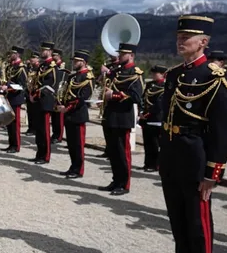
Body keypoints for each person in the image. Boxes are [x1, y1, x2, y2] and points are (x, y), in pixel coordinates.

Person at [149, 15, 227, 253]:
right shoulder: (174, 74)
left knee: (197, 222)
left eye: (187, 37)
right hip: (173, 155)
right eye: (179, 36)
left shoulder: (214, 77)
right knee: (176, 217)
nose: (180, 41)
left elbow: (222, 131)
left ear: (204, 42)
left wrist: (214, 172)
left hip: (197, 158)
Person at [98, 43, 143, 196]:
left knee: (122, 153)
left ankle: (124, 184)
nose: (120, 55)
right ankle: (116, 180)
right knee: (113, 151)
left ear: (131, 55)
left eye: (123, 53)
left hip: (123, 117)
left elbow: (137, 96)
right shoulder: (117, 71)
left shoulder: (135, 73)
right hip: (110, 115)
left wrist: (115, 95)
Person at [57, 50, 94, 178]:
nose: (74, 63)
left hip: (78, 114)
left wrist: (67, 107)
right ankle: (73, 167)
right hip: (68, 114)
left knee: (78, 145)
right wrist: (61, 104)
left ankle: (79, 170)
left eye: (76, 61)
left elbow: (83, 97)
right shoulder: (72, 77)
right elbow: (65, 93)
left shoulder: (88, 77)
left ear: (83, 62)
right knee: (71, 145)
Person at [31, 42, 57, 164]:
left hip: (45, 102)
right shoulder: (42, 66)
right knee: (39, 130)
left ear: (50, 51)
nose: (42, 52)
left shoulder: (53, 66)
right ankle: (39, 153)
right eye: (42, 49)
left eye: (45, 50)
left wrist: (36, 95)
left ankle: (45, 156)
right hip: (38, 101)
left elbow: (50, 86)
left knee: (45, 131)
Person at [138, 65, 166, 172]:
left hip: (156, 118)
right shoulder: (150, 85)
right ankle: (147, 163)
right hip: (146, 118)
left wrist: (147, 113)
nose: (154, 75)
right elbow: (143, 98)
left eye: (156, 73)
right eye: (153, 73)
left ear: (162, 74)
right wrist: (141, 111)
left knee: (155, 144)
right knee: (147, 143)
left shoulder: (165, 86)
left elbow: (160, 103)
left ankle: (155, 165)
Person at [2, 46, 27, 153]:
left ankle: (16, 145)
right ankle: (11, 143)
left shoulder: (21, 68)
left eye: (12, 53)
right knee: (9, 123)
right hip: (9, 97)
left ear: (18, 55)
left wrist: (8, 88)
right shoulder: (10, 67)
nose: (10, 55)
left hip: (16, 98)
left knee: (15, 123)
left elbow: (22, 86)